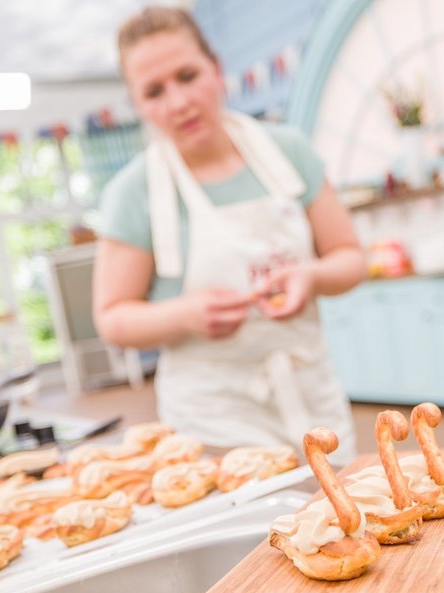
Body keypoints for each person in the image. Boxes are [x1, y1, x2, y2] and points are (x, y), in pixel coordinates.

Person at [94, 6, 365, 462]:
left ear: (217, 70)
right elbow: (113, 318)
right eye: (154, 91)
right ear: (138, 104)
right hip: (213, 424)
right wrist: (185, 314)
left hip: (313, 406)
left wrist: (312, 277)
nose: (178, 102)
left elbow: (350, 257)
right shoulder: (133, 192)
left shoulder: (288, 152)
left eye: (187, 75)